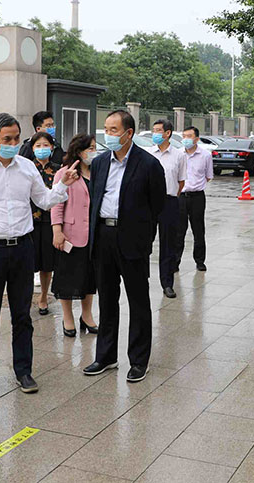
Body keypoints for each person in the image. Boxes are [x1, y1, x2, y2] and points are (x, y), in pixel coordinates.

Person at [0, 113, 79, 398]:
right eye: (6, 139)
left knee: (22, 315)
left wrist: (64, 185)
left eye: (15, 138)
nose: (12, 143)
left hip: (23, 247)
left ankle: (24, 371)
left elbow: (44, 200)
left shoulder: (26, 168)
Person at [82, 110, 164, 383]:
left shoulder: (149, 165)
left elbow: (157, 208)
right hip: (103, 236)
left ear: (129, 133)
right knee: (106, 299)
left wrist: (144, 239)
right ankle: (106, 356)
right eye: (106, 129)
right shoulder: (101, 162)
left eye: (114, 130)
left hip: (132, 240)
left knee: (138, 301)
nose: (108, 135)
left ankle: (139, 360)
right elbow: (95, 200)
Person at [51, 133, 99, 337]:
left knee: (89, 277)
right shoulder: (65, 172)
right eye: (91, 148)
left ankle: (87, 315)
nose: (94, 152)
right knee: (67, 277)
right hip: (71, 233)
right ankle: (68, 316)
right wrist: (57, 230)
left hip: (94, 235)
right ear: (79, 151)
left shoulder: (99, 172)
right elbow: (56, 204)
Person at [19, 131, 62, 314]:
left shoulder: (59, 169)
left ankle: (44, 296)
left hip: (50, 222)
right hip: (28, 221)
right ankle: (24, 297)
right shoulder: (26, 168)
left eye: (46, 145)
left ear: (52, 148)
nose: (42, 149)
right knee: (28, 263)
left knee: (46, 263)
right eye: (38, 146)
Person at [147, 119, 186, 298]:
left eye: (158, 130)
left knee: (168, 244)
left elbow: (181, 181)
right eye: (153, 130)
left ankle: (167, 283)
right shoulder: (148, 154)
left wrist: (170, 197)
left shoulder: (179, 155)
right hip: (148, 203)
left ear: (167, 133)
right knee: (145, 241)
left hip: (169, 202)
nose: (155, 133)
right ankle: (142, 279)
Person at [176, 126, 214, 274]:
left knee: (198, 230)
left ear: (197, 139)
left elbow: (209, 176)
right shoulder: (178, 154)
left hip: (197, 196)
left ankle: (200, 261)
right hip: (181, 196)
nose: (186, 139)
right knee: (179, 231)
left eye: (189, 136)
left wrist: (195, 185)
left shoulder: (205, 155)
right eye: (184, 136)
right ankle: (175, 261)